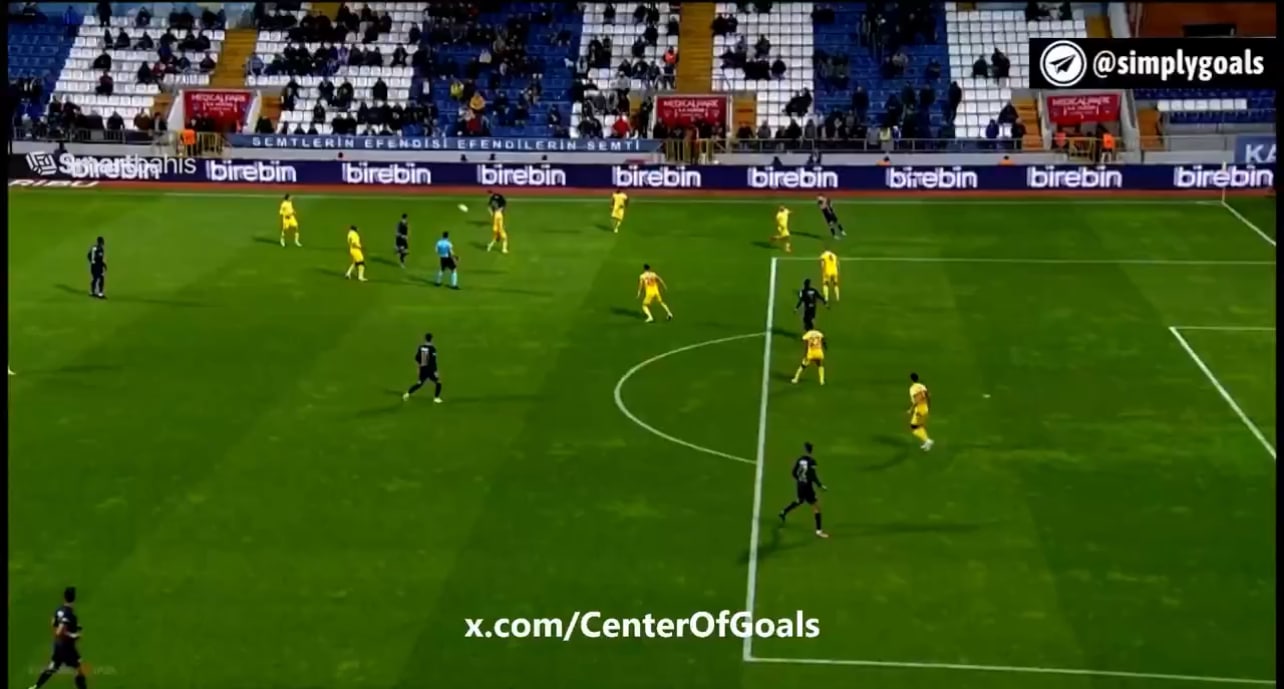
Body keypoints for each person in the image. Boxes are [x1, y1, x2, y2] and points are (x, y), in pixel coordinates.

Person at [28, 586, 89, 689]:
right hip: (67, 647)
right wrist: (73, 635)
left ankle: (35, 686)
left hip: (58, 645)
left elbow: (54, 623)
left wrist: (74, 627)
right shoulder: (69, 613)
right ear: (74, 598)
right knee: (79, 669)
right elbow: (60, 631)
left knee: (52, 667)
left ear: (64, 597)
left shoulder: (59, 610)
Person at [777, 442, 829, 538]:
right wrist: (820, 485)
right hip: (807, 487)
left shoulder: (800, 459)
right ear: (811, 450)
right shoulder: (812, 461)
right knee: (816, 507)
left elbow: (793, 472)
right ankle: (819, 531)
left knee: (800, 500)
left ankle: (783, 512)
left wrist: (800, 479)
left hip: (800, 485)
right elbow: (812, 475)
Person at [402, 332, 442, 403]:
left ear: (425, 339)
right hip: (430, 370)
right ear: (431, 339)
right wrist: (435, 371)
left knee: (419, 384)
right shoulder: (432, 349)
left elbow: (417, 358)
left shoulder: (421, 347)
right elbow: (433, 361)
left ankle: (407, 393)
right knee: (438, 382)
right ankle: (436, 398)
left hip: (423, 369)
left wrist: (419, 367)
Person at [908, 372, 934, 450]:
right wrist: (928, 407)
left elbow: (917, 400)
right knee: (920, 426)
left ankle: (927, 440)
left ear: (911, 379)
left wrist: (911, 409)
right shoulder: (922, 386)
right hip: (925, 408)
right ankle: (926, 442)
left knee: (913, 427)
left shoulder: (912, 388)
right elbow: (928, 396)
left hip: (919, 410)